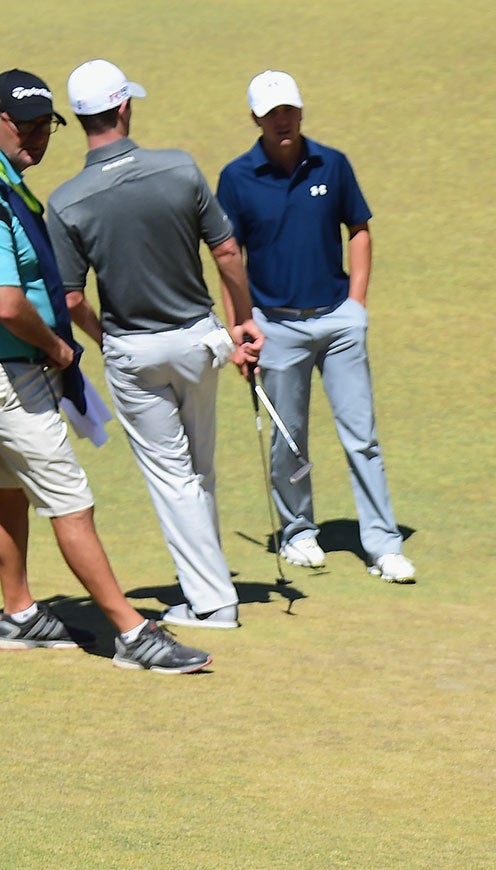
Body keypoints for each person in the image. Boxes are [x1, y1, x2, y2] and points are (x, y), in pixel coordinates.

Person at [0, 68, 209, 673]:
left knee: (9, 491)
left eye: (48, 124)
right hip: (14, 375)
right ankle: (132, 631)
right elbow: (8, 304)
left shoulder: (13, 183)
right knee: (71, 501)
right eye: (26, 124)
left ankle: (17, 612)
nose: (39, 136)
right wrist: (60, 350)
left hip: (12, 371)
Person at [46, 59, 263, 631]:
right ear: (122, 108)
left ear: (82, 117)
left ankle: (213, 602)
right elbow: (226, 254)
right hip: (199, 340)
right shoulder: (180, 168)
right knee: (199, 470)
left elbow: (70, 301)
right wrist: (243, 322)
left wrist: (104, 336)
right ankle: (209, 587)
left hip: (135, 352)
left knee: (174, 476)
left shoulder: (66, 202)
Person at [215, 71, 411, 583]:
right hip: (276, 329)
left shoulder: (333, 163)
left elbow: (360, 230)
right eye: (272, 113)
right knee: (290, 442)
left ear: (300, 111)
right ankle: (299, 531)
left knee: (361, 436)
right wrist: (240, 329)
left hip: (338, 321)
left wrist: (357, 305)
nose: (283, 120)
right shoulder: (237, 178)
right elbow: (228, 258)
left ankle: (383, 543)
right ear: (256, 118)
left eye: (289, 110)